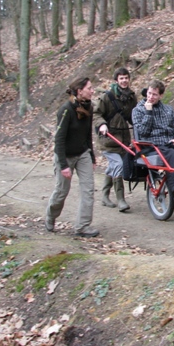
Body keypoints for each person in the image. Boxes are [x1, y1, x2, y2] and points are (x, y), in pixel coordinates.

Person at [45, 77, 99, 237]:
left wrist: (92, 157)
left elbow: (88, 134)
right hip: (65, 156)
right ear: (79, 91)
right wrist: (63, 165)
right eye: (89, 88)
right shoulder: (66, 110)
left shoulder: (89, 107)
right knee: (62, 191)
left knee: (88, 190)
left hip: (82, 154)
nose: (92, 91)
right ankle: (50, 216)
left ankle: (82, 226)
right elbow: (59, 139)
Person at [93, 67, 138, 212]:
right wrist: (102, 125)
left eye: (126, 77)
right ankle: (121, 200)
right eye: (121, 78)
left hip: (123, 140)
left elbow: (133, 116)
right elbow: (96, 114)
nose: (124, 80)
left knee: (113, 166)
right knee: (118, 164)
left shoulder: (131, 97)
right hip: (108, 140)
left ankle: (105, 196)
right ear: (116, 80)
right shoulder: (107, 96)